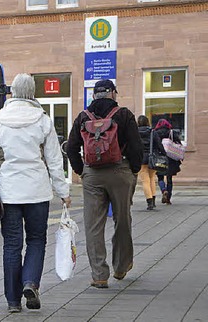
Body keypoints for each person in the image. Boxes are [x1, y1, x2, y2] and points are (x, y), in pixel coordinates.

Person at [0, 73, 71, 313]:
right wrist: (63, 191)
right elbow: (55, 161)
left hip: (8, 193)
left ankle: (13, 300)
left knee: (12, 245)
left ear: (12, 92)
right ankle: (30, 282)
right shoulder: (43, 120)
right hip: (37, 191)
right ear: (33, 92)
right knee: (37, 239)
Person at [66, 79, 143, 289]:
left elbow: (71, 147)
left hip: (92, 175)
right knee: (123, 220)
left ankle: (99, 275)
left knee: (93, 226)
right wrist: (133, 170)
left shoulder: (83, 117)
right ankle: (121, 266)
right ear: (113, 94)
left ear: (94, 95)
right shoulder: (124, 114)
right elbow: (136, 147)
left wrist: (81, 171)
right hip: (120, 172)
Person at [137, 115, 165, 210]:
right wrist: (163, 154)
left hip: (141, 158)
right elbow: (159, 144)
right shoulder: (153, 132)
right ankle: (153, 200)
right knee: (152, 178)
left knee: (145, 181)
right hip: (152, 157)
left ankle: (149, 202)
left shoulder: (135, 133)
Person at [153, 118, 182, 204]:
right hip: (171, 159)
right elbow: (179, 144)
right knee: (169, 179)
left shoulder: (155, 133)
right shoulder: (172, 132)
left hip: (160, 157)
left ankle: (163, 190)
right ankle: (168, 199)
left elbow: (154, 145)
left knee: (160, 177)